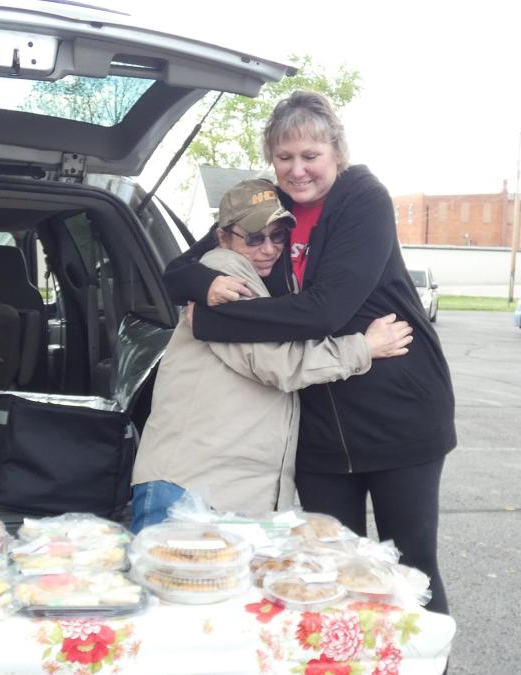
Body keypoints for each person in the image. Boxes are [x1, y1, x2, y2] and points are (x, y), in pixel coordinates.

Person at [164, 91, 456, 614]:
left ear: (337, 153)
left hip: (398, 410)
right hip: (317, 420)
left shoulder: (363, 198)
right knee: (331, 568)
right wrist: (204, 281)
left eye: (310, 156)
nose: (297, 171)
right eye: (284, 157)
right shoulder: (267, 206)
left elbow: (326, 311)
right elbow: (177, 270)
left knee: (408, 571)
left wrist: (211, 319)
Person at [131, 178, 412, 532]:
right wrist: (364, 347)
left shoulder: (258, 281)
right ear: (223, 237)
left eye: (278, 236)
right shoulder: (225, 275)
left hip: (225, 492)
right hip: (191, 490)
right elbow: (279, 364)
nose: (268, 248)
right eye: (253, 237)